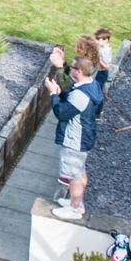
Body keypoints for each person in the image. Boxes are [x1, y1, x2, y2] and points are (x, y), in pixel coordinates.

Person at [46, 56, 104, 221]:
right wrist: (61, 93)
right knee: (79, 171)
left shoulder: (80, 95)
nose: (69, 69)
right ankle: (76, 202)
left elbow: (62, 113)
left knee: (74, 175)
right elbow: (70, 100)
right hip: (84, 137)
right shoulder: (91, 86)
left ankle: (74, 209)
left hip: (75, 140)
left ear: (79, 71)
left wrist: (52, 94)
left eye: (71, 67)